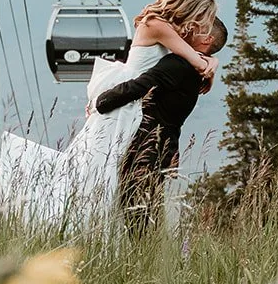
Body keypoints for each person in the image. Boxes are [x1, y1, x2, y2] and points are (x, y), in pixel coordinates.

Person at [0, 0, 218, 227]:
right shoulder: (156, 24)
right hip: (127, 99)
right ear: (190, 8)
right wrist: (210, 64)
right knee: (96, 170)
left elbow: (194, 58)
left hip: (132, 101)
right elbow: (195, 59)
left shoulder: (168, 31)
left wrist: (211, 63)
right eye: (201, 19)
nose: (199, 27)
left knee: (106, 173)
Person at [95, 16, 229, 231]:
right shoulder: (194, 67)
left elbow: (139, 86)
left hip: (147, 146)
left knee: (135, 210)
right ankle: (145, 255)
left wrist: (100, 101)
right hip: (161, 146)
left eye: (196, 28)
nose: (187, 30)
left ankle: (140, 256)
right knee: (145, 210)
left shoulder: (179, 64)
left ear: (207, 39)